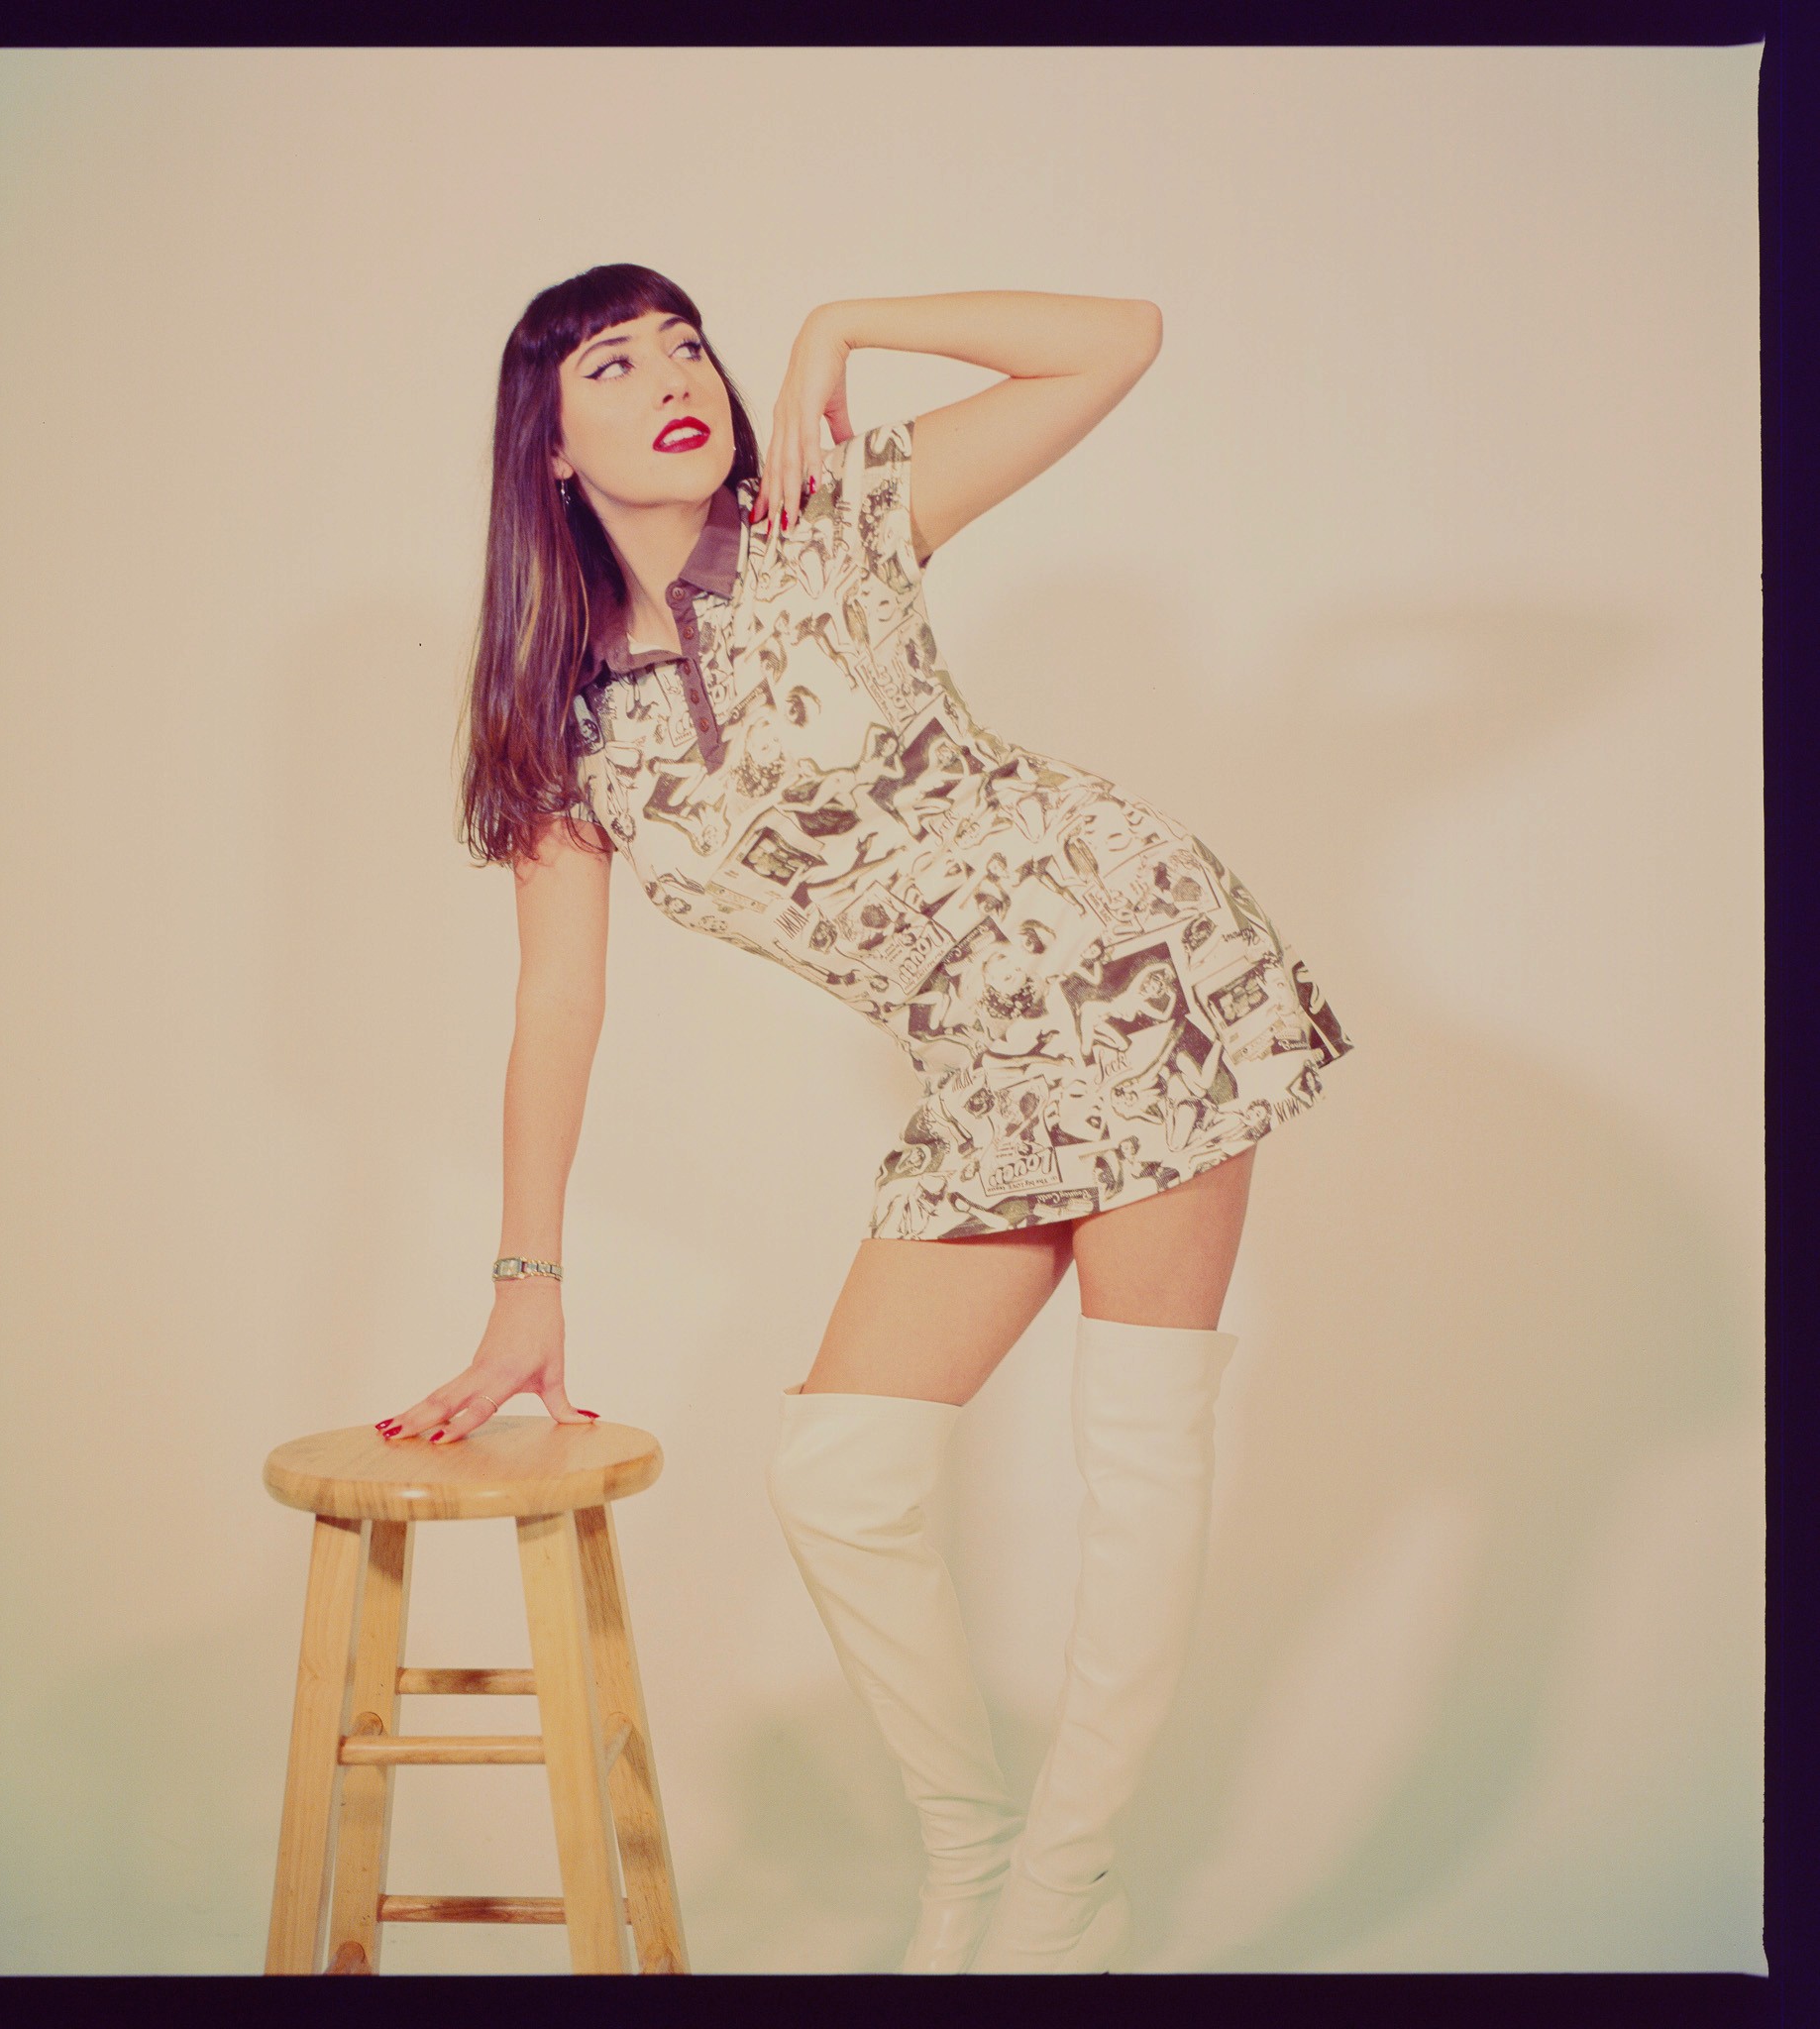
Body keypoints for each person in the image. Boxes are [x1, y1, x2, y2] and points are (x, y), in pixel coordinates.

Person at [375, 266, 1355, 1974]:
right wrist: (526, 1281)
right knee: (841, 1475)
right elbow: (555, 1005)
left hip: (1135, 972)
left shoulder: (834, 524)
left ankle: (1066, 1890)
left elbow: (1117, 340)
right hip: (978, 1075)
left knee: (1133, 1447)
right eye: (616, 363)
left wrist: (841, 322)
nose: (675, 377)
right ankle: (972, 1857)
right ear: (549, 449)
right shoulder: (565, 718)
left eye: (688, 344)